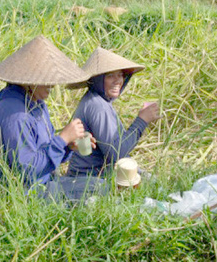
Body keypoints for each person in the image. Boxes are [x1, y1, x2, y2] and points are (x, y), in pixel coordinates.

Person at [0, 35, 94, 199]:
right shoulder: (16, 114)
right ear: (30, 80)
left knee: (97, 185)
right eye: (46, 79)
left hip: (44, 183)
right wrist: (62, 139)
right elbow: (28, 170)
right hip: (25, 195)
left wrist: (68, 147)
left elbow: (45, 157)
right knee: (96, 190)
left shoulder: (37, 105)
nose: (52, 84)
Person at [64, 47, 161, 198]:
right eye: (110, 76)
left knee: (153, 183)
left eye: (120, 75)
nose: (118, 81)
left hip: (99, 175)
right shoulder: (97, 106)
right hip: (88, 180)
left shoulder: (99, 101)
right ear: (97, 80)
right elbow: (116, 153)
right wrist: (142, 121)